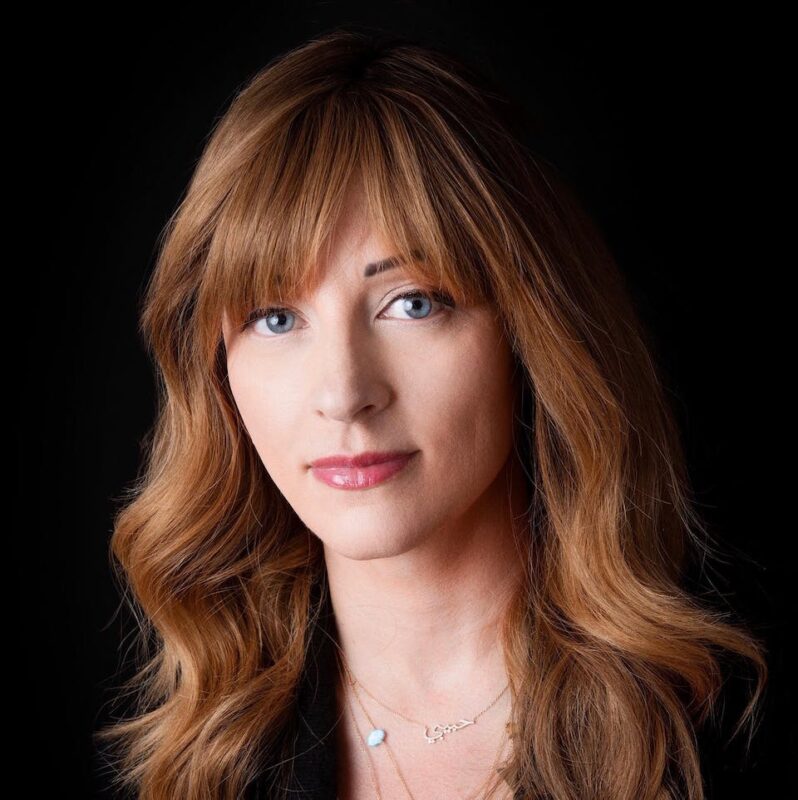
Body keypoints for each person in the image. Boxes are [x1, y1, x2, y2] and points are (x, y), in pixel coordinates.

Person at [94, 27, 768, 800]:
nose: (345, 393)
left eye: (411, 303)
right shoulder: (201, 764)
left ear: (528, 329)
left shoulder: (721, 732)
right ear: (218, 368)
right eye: (276, 318)